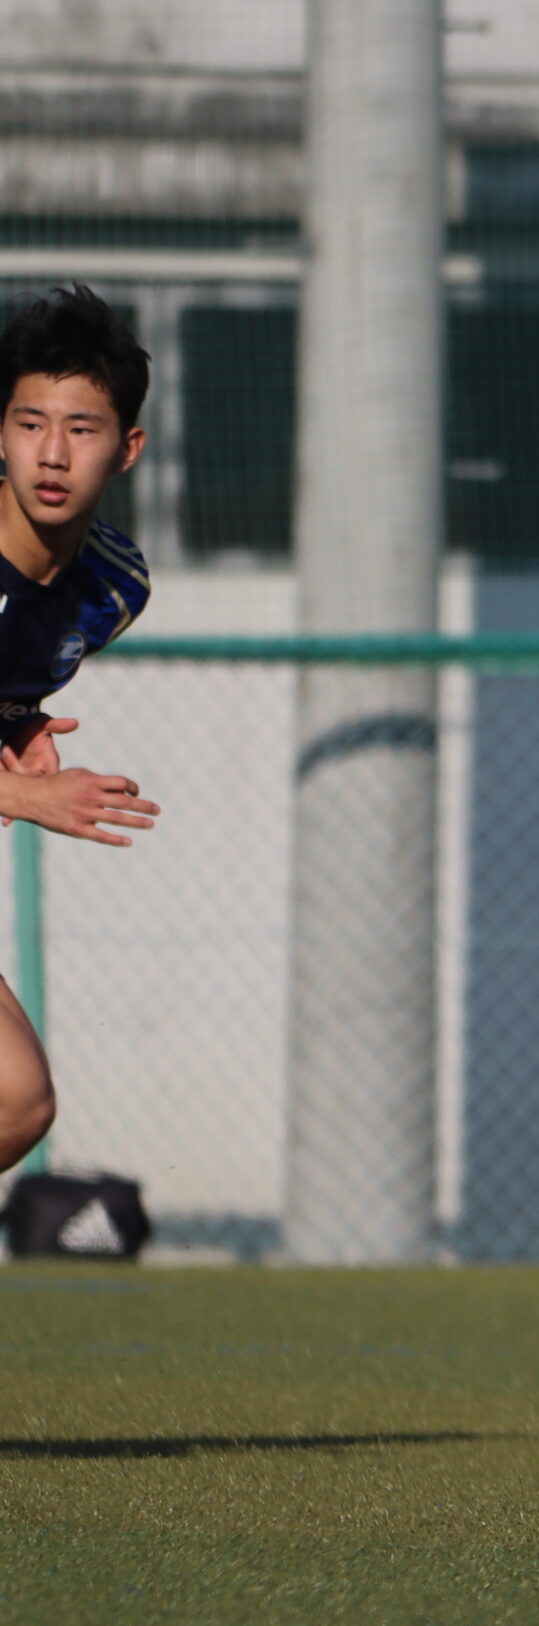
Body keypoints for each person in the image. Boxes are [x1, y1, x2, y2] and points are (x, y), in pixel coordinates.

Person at [0, 285, 163, 1171]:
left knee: (17, 1100)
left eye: (82, 427)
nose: (52, 453)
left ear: (128, 447)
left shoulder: (113, 587)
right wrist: (27, 795)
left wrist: (20, 721)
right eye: (30, 423)